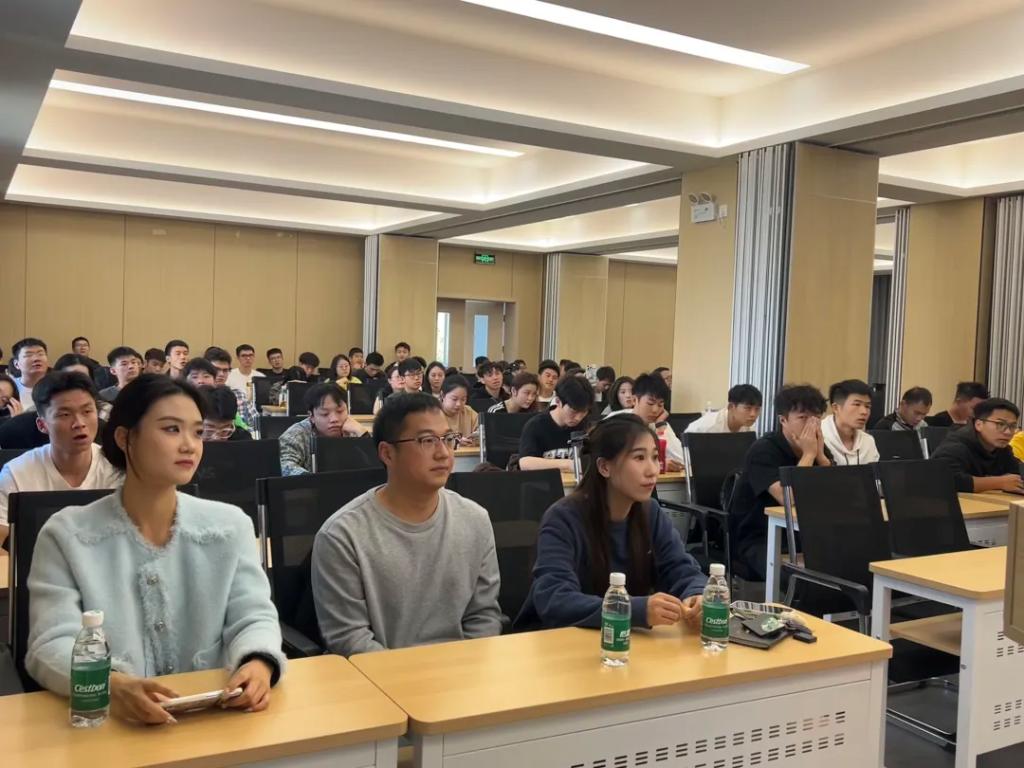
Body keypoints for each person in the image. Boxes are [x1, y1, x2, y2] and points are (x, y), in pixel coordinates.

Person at [25, 374, 284, 721]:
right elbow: (50, 643)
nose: (190, 445)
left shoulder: (230, 525)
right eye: (171, 429)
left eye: (197, 431)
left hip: (218, 718)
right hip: (113, 724)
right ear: (125, 438)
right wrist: (111, 684)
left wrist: (258, 662)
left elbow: (253, 615)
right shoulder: (67, 534)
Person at [312, 392, 501, 657]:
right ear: (387, 453)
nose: (443, 453)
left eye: (448, 439)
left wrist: (463, 669)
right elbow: (349, 637)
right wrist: (413, 676)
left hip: (462, 670)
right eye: (427, 441)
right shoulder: (342, 535)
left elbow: (484, 616)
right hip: (379, 674)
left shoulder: (475, 519)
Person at [515, 415, 706, 631]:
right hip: (557, 638)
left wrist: (696, 594)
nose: (653, 470)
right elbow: (554, 599)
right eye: (639, 458)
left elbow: (681, 569)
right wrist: (634, 610)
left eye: (655, 457)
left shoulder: (650, 512)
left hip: (622, 637)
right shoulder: (563, 518)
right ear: (604, 467)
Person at [0, 371, 123, 547]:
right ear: (42, 425)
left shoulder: (117, 467)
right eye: (64, 414)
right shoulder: (16, 473)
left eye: (87, 411)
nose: (79, 423)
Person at [727, 385, 832, 580]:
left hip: (803, 534)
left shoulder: (818, 448)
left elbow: (836, 492)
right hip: (759, 537)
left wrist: (821, 457)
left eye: (816, 418)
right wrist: (809, 455)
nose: (811, 426)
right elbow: (789, 498)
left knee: (847, 566)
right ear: (783, 420)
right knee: (801, 579)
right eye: (803, 418)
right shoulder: (764, 450)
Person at [930, 398, 1023, 493]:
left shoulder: (1003, 449)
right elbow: (947, 480)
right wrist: (1000, 482)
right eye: (1000, 424)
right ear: (979, 424)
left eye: (1012, 426)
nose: (1008, 432)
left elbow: (1017, 474)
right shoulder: (956, 446)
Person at [279, 383, 368, 475]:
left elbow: (372, 467)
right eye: (325, 414)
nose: (334, 419)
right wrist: (317, 481)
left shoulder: (353, 430)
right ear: (311, 416)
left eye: (340, 411)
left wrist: (363, 434)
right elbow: (285, 466)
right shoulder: (297, 435)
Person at [606, 373, 684, 472]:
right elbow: (613, 461)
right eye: (650, 403)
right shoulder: (617, 421)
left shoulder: (659, 424)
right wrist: (658, 464)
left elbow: (683, 460)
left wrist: (660, 427)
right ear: (634, 400)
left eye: (660, 405)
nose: (655, 410)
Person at [519, 375, 594, 471]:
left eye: (583, 412)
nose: (578, 418)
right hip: (546, 479)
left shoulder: (586, 425)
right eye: (573, 411)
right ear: (558, 401)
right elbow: (525, 462)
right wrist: (568, 464)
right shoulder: (536, 425)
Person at [821, 380, 879, 465]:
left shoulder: (868, 441)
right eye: (857, 404)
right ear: (836, 408)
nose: (864, 412)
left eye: (867, 406)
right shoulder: (819, 437)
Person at [685, 384, 762, 434]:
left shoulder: (749, 429)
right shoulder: (707, 428)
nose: (753, 414)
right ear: (731, 407)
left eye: (757, 409)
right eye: (748, 408)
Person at [11, 337, 49, 411]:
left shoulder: (58, 387)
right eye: (28, 355)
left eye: (40, 354)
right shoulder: (9, 388)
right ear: (16, 364)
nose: (36, 359)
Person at [439, 375, 479, 443]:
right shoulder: (433, 413)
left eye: (463, 399)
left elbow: (482, 429)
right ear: (443, 395)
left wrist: (478, 435)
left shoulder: (468, 412)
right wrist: (454, 441)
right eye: (454, 399)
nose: (459, 404)